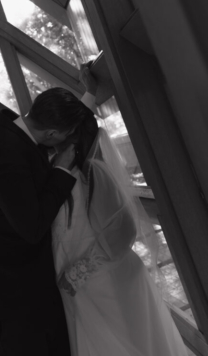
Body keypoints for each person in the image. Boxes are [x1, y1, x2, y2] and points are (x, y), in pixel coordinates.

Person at [52, 97, 188, 355]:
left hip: (104, 283)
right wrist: (89, 94)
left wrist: (76, 274)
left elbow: (122, 233)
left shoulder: (94, 173)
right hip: (86, 286)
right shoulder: (72, 173)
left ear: (72, 140)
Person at [0, 87, 93, 356]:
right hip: (10, 302)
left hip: (25, 293)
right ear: (51, 135)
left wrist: (90, 93)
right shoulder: (5, 153)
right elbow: (32, 227)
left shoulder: (20, 134)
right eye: (66, 136)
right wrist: (60, 170)